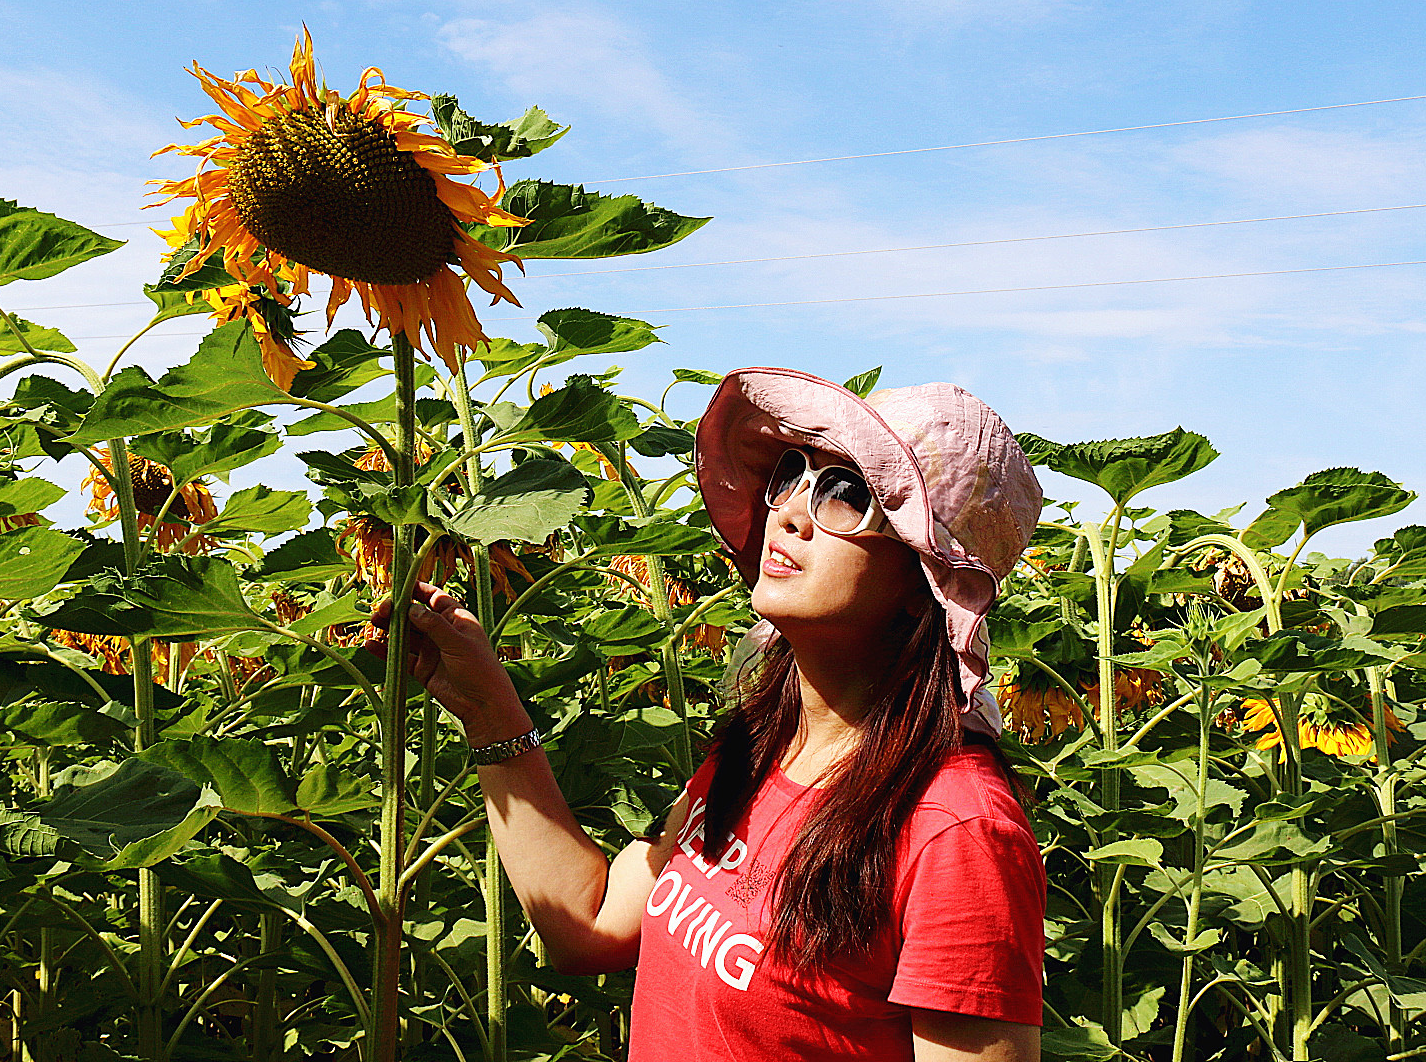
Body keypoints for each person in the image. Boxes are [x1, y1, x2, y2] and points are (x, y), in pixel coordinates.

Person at [384, 367, 1048, 1061]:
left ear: (926, 586)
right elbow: (591, 924)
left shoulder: (954, 830)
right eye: (791, 473)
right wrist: (487, 710)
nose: (790, 510)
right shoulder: (757, 750)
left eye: (847, 494)